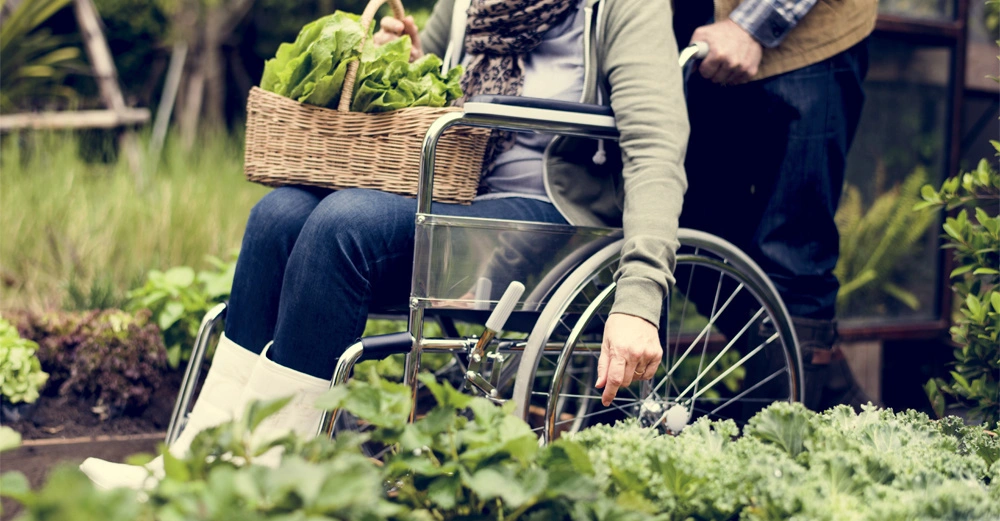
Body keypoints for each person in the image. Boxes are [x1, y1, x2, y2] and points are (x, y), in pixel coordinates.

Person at [80, 0, 690, 490]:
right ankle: (193, 467)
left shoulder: (622, 8)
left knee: (345, 224)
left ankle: (267, 482)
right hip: (452, 194)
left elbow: (656, 150)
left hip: (552, 221)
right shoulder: (470, 4)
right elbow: (434, 88)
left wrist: (639, 297)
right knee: (277, 215)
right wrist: (405, 56)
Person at [673, 0, 878, 411]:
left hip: (805, 43)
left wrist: (752, 25)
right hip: (693, 45)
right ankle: (833, 391)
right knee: (683, 235)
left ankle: (774, 442)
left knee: (791, 256)